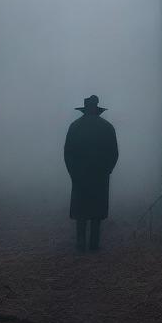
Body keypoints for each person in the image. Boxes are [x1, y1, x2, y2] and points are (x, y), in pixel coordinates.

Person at [63, 95, 119, 252]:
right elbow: (114, 153)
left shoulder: (74, 127)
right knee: (96, 211)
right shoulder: (107, 127)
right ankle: (94, 244)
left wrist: (73, 172)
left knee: (81, 211)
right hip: (100, 175)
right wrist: (107, 170)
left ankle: (80, 244)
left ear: (84, 110)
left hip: (79, 175)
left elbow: (68, 153)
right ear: (97, 109)